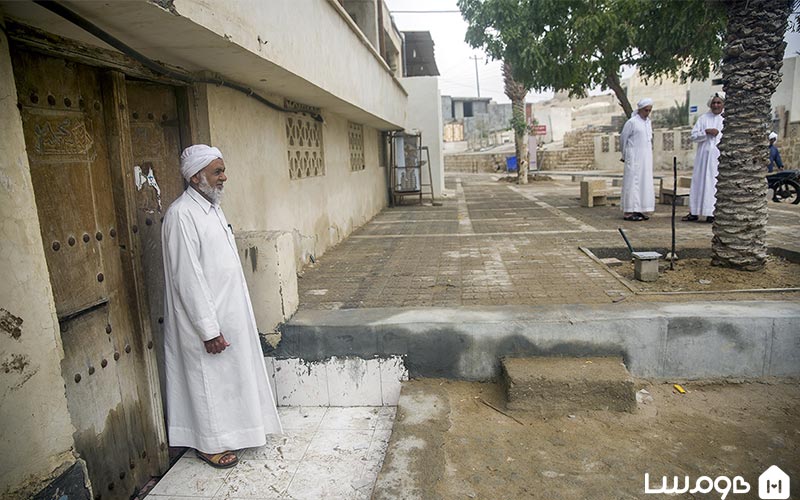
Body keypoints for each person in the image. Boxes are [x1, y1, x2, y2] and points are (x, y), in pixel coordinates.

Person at [162, 144, 282, 468]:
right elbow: (187, 277)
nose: (224, 177)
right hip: (204, 322)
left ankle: (236, 433)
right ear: (196, 176)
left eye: (222, 170)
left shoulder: (212, 208)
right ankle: (208, 445)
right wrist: (208, 329)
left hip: (229, 313)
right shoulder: (180, 215)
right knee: (207, 384)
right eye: (218, 172)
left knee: (228, 381)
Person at [683, 92, 724, 223]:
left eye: (719, 103)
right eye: (714, 103)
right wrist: (705, 132)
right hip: (703, 158)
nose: (716, 105)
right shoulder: (703, 118)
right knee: (699, 183)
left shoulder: (726, 119)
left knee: (713, 184)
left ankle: (711, 213)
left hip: (718, 158)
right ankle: (694, 212)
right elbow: (693, 136)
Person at [620, 98, 655, 221]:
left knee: (643, 182)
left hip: (645, 158)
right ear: (640, 109)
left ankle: (639, 209)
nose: (647, 113)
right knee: (632, 183)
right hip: (633, 157)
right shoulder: (632, 122)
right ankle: (629, 211)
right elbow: (623, 139)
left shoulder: (648, 123)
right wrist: (624, 155)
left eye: (649, 110)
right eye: (646, 110)